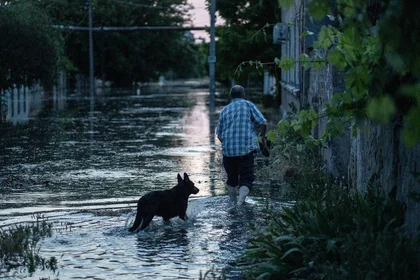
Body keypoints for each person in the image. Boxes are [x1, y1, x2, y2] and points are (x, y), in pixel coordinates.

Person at [216, 85, 267, 205]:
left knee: (232, 179)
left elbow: (219, 135)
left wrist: (229, 144)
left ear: (230, 96)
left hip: (228, 152)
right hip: (246, 150)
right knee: (246, 178)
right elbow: (263, 123)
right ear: (243, 95)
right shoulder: (248, 105)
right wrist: (261, 137)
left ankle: (233, 204)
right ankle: (240, 203)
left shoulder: (224, 110)